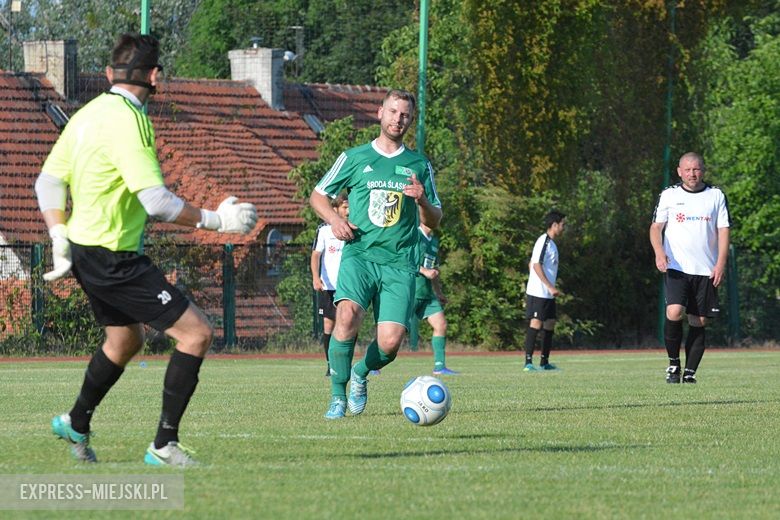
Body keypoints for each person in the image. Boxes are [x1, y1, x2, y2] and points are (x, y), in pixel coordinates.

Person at [35, 33, 257, 466]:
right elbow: (155, 201)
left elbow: (47, 181)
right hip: (113, 255)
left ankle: (76, 421)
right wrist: (217, 220)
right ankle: (163, 446)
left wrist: (59, 234)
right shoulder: (132, 121)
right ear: (155, 76)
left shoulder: (87, 114)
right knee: (197, 334)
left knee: (124, 341)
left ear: (108, 74)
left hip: (85, 249)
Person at [309, 89, 442, 419]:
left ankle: (359, 373)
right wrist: (335, 220)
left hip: (400, 262)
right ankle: (337, 397)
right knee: (347, 317)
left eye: (405, 115)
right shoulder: (354, 158)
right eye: (393, 112)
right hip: (360, 255)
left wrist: (423, 200)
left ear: (411, 120)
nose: (398, 119)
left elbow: (435, 219)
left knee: (390, 343)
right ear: (380, 113)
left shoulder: (419, 164)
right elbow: (318, 196)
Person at [650, 152, 731, 384]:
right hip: (677, 267)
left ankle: (690, 372)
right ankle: (673, 364)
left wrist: (720, 264)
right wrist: (659, 252)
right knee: (674, 311)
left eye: (696, 169)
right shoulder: (669, 195)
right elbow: (656, 228)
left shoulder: (715, 195)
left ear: (702, 170)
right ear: (679, 171)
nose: (692, 174)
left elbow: (724, 230)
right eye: (687, 170)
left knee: (699, 321)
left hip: (706, 269)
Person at [408, 223, 458, 375]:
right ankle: (373, 367)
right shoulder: (413, 234)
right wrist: (424, 271)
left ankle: (439, 366)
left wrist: (438, 292)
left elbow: (434, 269)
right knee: (393, 331)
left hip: (428, 294)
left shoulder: (434, 240)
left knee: (441, 324)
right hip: (411, 291)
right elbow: (403, 258)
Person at [310, 194, 349, 376]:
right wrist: (316, 278)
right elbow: (316, 255)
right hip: (328, 286)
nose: (347, 211)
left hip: (347, 286)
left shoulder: (353, 228)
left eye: (349, 208)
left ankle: (345, 363)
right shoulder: (324, 230)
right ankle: (330, 365)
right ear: (335, 209)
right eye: (344, 208)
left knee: (348, 323)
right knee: (328, 325)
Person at [523, 210, 566, 372]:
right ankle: (528, 363)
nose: (563, 227)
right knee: (536, 322)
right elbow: (535, 264)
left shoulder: (552, 244)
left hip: (547, 294)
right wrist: (548, 286)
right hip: (539, 292)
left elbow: (532, 264)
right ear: (554, 225)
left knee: (550, 323)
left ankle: (544, 362)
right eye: (562, 224)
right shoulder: (544, 241)